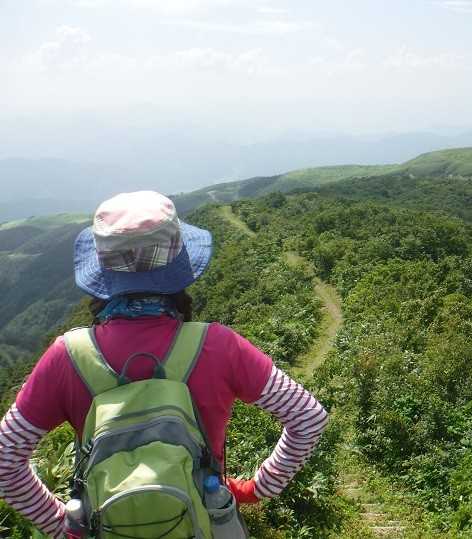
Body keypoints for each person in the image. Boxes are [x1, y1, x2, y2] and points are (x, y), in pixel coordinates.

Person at [0, 191, 328, 538]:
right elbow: (308, 418)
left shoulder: (67, 357)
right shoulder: (218, 346)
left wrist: (61, 527)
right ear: (178, 268)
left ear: (103, 271)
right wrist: (258, 488)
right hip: (202, 524)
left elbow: (5, 461)